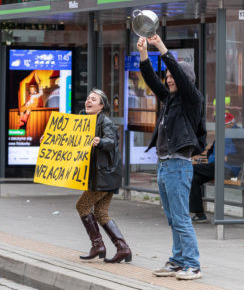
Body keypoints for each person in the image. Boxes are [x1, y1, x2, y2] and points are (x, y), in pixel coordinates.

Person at [137, 35, 206, 281]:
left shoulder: (192, 100)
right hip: (165, 164)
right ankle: (177, 262)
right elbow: (152, 81)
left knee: (180, 218)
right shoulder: (170, 100)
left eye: (171, 75)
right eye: (166, 76)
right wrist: (144, 54)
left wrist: (162, 48)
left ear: (184, 80)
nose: (167, 78)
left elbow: (175, 68)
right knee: (172, 218)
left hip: (179, 165)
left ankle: (193, 265)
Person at [75, 89, 132, 264]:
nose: (88, 101)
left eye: (93, 99)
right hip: (103, 176)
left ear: (101, 105)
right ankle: (123, 248)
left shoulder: (105, 122)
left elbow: (112, 141)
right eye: (87, 98)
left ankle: (98, 245)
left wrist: (100, 142)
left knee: (82, 206)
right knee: (100, 212)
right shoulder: (83, 120)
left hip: (103, 177)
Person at [190, 113, 244, 222]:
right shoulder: (223, 133)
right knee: (194, 179)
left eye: (225, 124)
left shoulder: (239, 134)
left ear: (232, 123)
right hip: (215, 166)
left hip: (228, 169)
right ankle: (199, 214)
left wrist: (227, 157)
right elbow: (211, 150)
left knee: (190, 169)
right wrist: (210, 158)